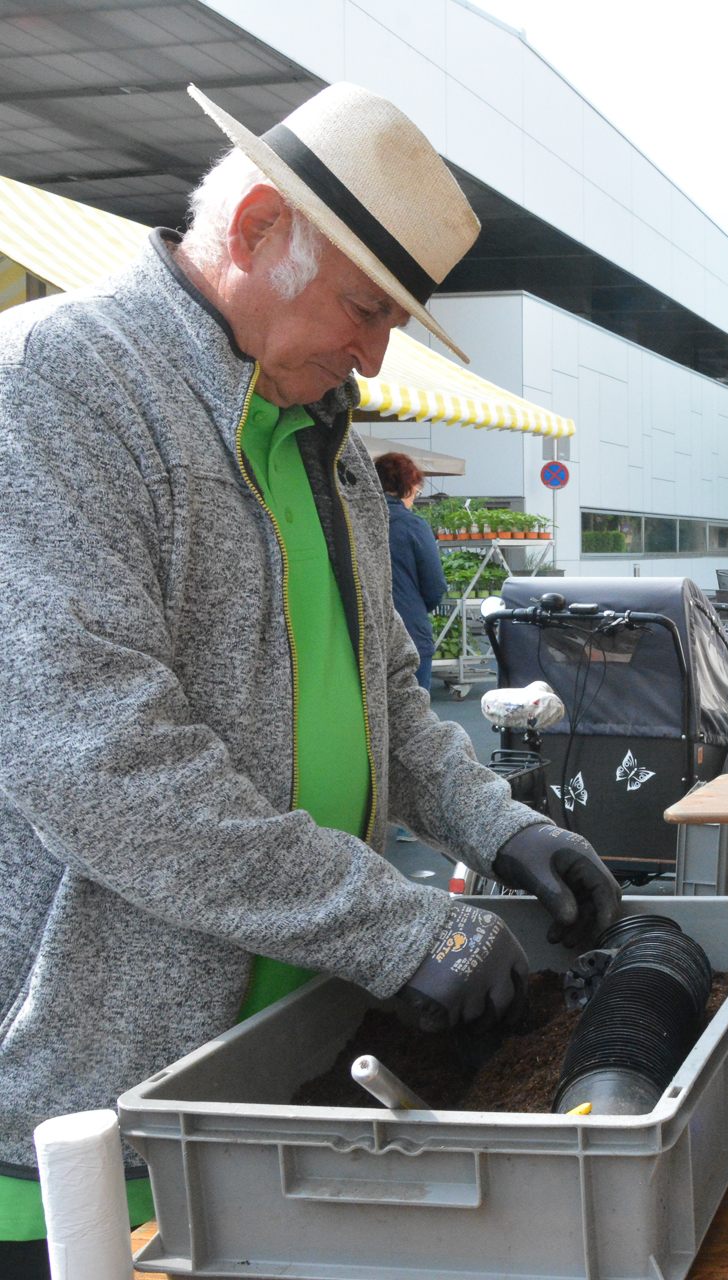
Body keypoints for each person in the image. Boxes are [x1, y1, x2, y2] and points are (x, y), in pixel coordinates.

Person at [0, 82, 619, 1274]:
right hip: (91, 1108)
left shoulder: (322, 428)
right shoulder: (57, 386)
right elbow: (102, 765)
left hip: (297, 1055)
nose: (374, 351)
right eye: (363, 306)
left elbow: (386, 693)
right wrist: (397, 923)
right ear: (253, 231)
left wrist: (504, 825)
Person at [374, 451, 447, 691]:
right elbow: (435, 586)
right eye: (416, 490)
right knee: (414, 718)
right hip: (410, 632)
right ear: (408, 487)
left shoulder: (353, 522)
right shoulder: (413, 525)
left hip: (365, 636)